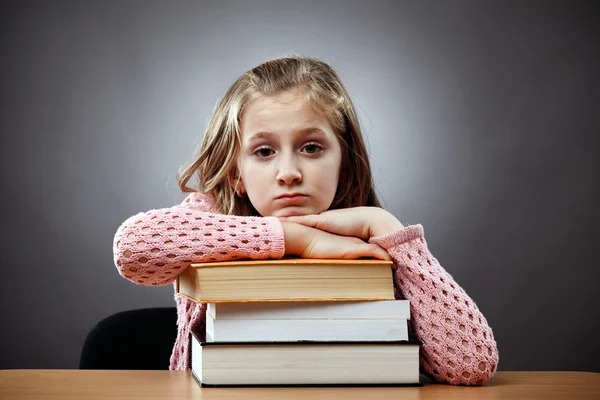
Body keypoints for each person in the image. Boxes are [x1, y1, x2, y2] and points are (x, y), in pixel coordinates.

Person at [113, 55, 499, 385]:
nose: (289, 172)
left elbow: (472, 365)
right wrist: (299, 239)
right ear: (236, 175)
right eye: (264, 151)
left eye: (311, 148)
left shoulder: (377, 242)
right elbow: (133, 247)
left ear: (344, 166)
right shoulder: (211, 219)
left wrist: (392, 232)